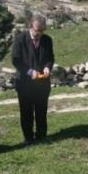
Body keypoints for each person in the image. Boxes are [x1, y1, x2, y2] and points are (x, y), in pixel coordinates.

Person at [11, 15, 54, 145]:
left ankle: (41, 136)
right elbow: (15, 60)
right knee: (26, 111)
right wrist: (29, 72)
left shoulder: (47, 40)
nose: (39, 34)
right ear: (31, 27)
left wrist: (47, 68)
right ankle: (28, 138)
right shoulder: (20, 39)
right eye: (37, 30)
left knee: (41, 110)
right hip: (25, 83)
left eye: (41, 31)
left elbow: (50, 58)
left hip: (42, 83)